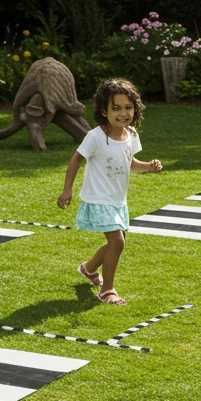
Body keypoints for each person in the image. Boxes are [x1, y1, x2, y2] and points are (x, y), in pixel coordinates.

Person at [57, 78, 163, 306]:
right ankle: (107, 290)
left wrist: (148, 166)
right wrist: (67, 190)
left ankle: (89, 268)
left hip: (118, 201)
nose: (123, 113)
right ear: (104, 111)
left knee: (117, 241)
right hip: (98, 199)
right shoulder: (95, 136)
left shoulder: (131, 135)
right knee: (117, 243)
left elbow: (129, 162)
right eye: (116, 108)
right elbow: (76, 159)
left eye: (128, 107)